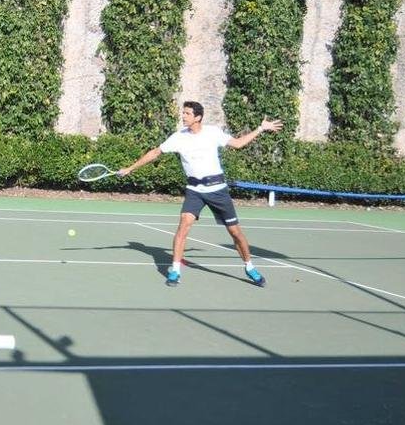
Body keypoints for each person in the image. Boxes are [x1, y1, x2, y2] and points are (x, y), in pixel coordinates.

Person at [117, 101, 282, 288]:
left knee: (235, 233)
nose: (183, 116)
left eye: (187, 113)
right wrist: (130, 168)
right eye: (183, 113)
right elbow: (155, 152)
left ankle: (249, 266)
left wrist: (261, 128)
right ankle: (175, 271)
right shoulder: (178, 137)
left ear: (198, 117)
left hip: (217, 190)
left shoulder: (213, 133)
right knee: (183, 227)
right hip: (194, 191)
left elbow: (237, 144)